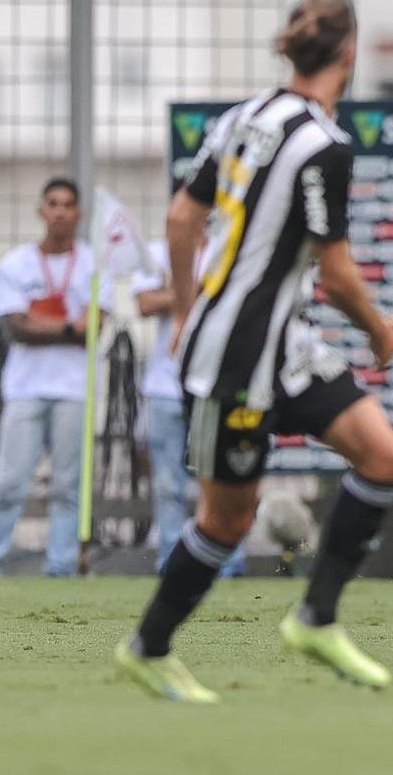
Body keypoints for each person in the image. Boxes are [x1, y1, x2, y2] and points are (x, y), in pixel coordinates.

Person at [115, 0, 393, 703]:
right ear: (349, 53)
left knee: (383, 458)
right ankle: (148, 648)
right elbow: (336, 275)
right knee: (228, 519)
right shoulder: (324, 146)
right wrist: (379, 331)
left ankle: (316, 617)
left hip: (282, 344)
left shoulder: (241, 117)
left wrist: (186, 311)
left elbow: (183, 219)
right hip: (237, 357)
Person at [0, 178, 111, 577]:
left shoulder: (93, 262)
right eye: (53, 203)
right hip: (26, 389)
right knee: (10, 483)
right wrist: (70, 327)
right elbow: (16, 327)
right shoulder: (16, 263)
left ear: (78, 213)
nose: (61, 212)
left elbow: (97, 326)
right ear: (41, 210)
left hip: (73, 390)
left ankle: (61, 565)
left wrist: (44, 323)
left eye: (68, 205)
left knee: (68, 486)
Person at [132, 235, 246, 578]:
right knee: (168, 485)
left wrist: (176, 293)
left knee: (220, 481)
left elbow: (238, 300)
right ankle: (171, 563)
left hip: (216, 385)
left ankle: (228, 564)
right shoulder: (155, 250)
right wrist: (200, 291)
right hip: (165, 387)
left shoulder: (233, 247)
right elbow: (145, 304)